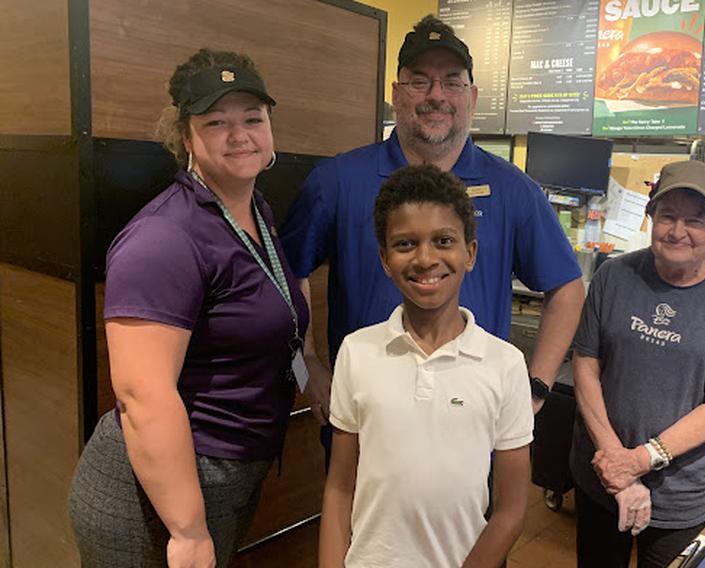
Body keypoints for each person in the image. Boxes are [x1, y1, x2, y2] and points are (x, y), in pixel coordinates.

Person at [280, 15, 584, 441]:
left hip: (475, 424)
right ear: (396, 95)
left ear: (472, 97)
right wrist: (307, 364)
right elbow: (285, 273)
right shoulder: (338, 181)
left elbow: (567, 289)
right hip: (366, 423)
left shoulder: (514, 189)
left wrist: (534, 387)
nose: (436, 95)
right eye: (419, 81)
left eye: (452, 81)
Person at [68, 49, 308, 567]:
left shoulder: (254, 210)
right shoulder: (163, 237)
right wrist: (189, 530)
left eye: (252, 118)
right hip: (160, 495)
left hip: (228, 472)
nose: (239, 134)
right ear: (185, 136)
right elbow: (142, 395)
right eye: (216, 122)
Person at [319, 164, 533, 567]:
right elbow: (339, 488)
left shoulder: (505, 365)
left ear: (469, 253)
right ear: (384, 259)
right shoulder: (357, 351)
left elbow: (511, 509)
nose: (425, 258)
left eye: (443, 240)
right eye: (405, 244)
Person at [570, 160, 705, 568]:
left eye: (695, 220)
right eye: (668, 216)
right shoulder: (614, 275)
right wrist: (616, 462)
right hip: (601, 476)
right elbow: (586, 363)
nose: (679, 232)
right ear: (650, 216)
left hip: (681, 492)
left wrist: (640, 460)